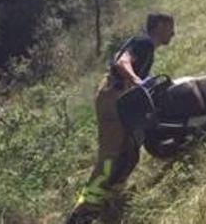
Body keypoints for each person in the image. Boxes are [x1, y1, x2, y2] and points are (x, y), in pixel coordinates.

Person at [67, 13, 176, 224]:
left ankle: (110, 200)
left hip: (121, 99)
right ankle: (83, 213)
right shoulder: (143, 43)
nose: (174, 33)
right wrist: (137, 80)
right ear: (160, 26)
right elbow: (122, 62)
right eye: (171, 27)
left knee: (129, 152)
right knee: (110, 156)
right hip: (114, 98)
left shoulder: (146, 48)